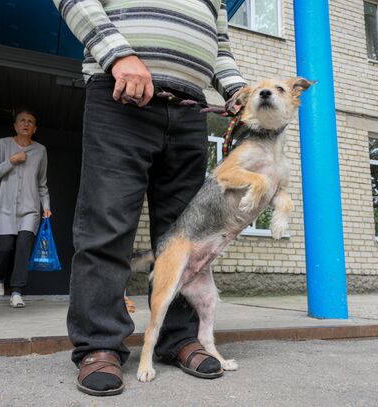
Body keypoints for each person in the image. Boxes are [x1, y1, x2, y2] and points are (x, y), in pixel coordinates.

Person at [55, 0, 247, 396]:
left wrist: (236, 89)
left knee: (183, 238)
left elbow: (220, 47)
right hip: (120, 94)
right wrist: (118, 54)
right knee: (106, 224)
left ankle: (178, 337)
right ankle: (100, 345)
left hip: (190, 110)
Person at [0, 109, 51, 308]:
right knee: (4, 248)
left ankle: (16, 291)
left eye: (30, 121)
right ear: (15, 125)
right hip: (4, 207)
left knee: (24, 248)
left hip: (30, 208)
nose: (26, 123)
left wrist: (46, 206)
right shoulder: (3, 144)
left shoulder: (40, 150)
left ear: (34, 128)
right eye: (22, 120)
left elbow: (42, 183)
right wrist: (11, 161)